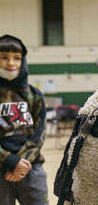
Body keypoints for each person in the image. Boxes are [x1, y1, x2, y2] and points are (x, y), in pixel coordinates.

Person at [0, 35, 48, 204]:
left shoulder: (34, 95)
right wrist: (10, 161)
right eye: (4, 57)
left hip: (31, 169)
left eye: (17, 58)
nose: (11, 63)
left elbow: (40, 132)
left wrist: (22, 163)